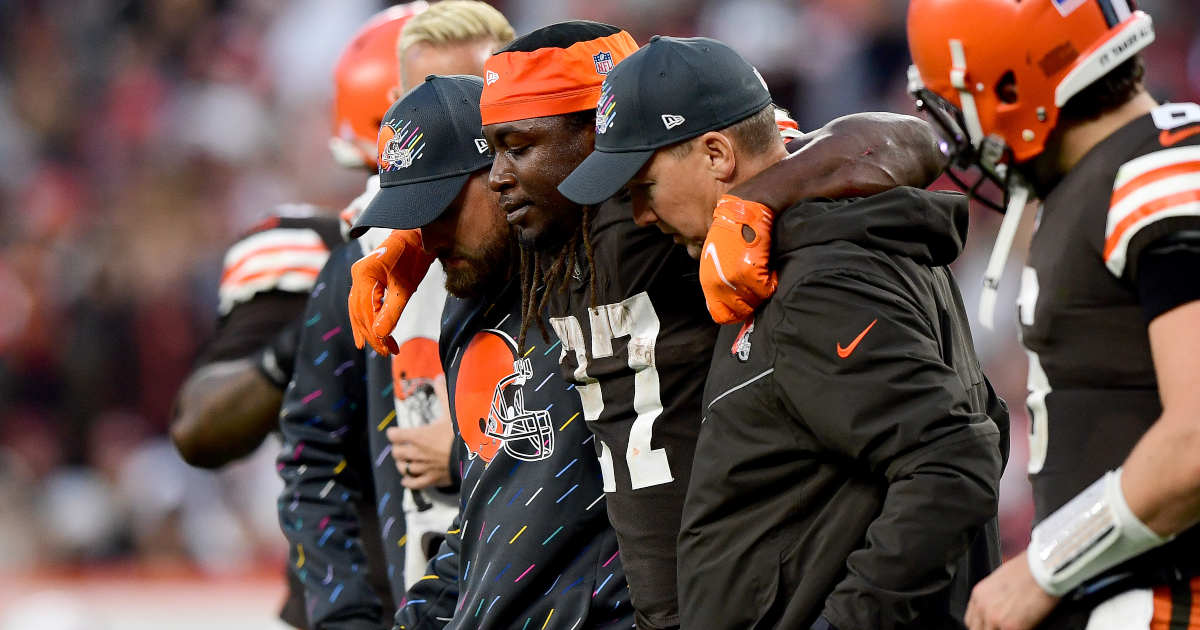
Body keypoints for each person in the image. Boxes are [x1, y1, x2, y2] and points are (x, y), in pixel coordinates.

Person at [348, 20, 954, 630]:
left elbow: (907, 143)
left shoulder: (665, 207)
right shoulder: (542, 227)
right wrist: (415, 237)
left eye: (519, 147)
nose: (502, 173)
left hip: (743, 589)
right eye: (494, 151)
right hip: (666, 594)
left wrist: (760, 199)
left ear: (599, 128)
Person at [557, 35, 1007, 630]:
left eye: (644, 188)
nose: (640, 215)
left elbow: (953, 463)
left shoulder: (820, 282)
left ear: (717, 155)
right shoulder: (806, 251)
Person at [907, 2, 1200, 630]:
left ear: (1012, 89)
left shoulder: (1167, 165)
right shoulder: (1105, 177)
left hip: (1164, 598)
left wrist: (1049, 563)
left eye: (960, 105)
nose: (961, 135)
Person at [348, 73, 635, 630]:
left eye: (440, 207)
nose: (427, 238)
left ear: (504, 173)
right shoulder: (463, 304)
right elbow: (486, 523)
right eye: (412, 216)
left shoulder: (612, 266)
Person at [170, 5, 427, 627]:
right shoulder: (316, 253)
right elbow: (199, 429)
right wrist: (314, 330)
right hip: (354, 602)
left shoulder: (533, 246)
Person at [275, 4, 513, 629]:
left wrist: (466, 448)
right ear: (399, 104)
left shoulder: (569, 245)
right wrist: (346, 618)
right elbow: (313, 458)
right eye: (429, 99)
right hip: (414, 601)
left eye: (476, 98)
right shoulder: (360, 258)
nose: (454, 118)